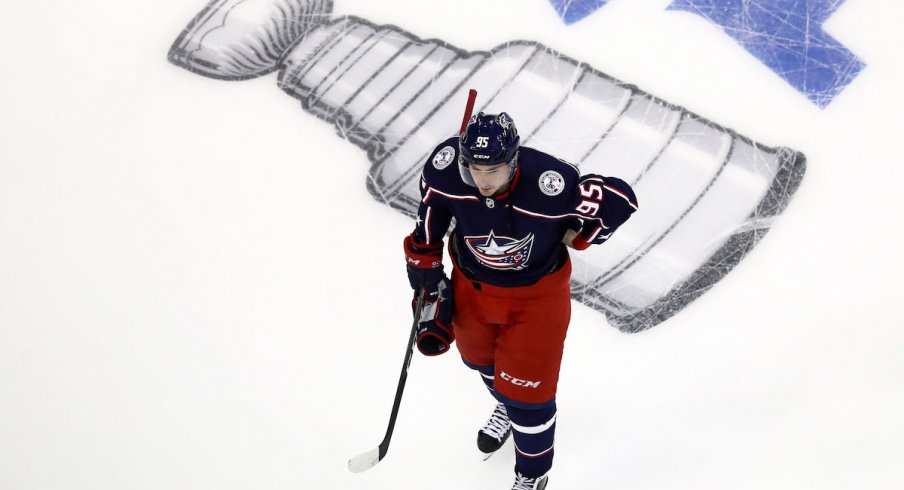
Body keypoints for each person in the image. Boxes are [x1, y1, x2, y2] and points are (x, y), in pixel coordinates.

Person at [402, 111, 638, 490]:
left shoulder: (552, 184)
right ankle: (505, 405)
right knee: (478, 360)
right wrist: (425, 273)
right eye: (474, 169)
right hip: (472, 290)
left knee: (530, 398)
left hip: (536, 302)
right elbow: (428, 224)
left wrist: (583, 228)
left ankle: (531, 475)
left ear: (514, 161)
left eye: (492, 170)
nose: (481, 181)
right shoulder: (446, 169)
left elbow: (621, 200)